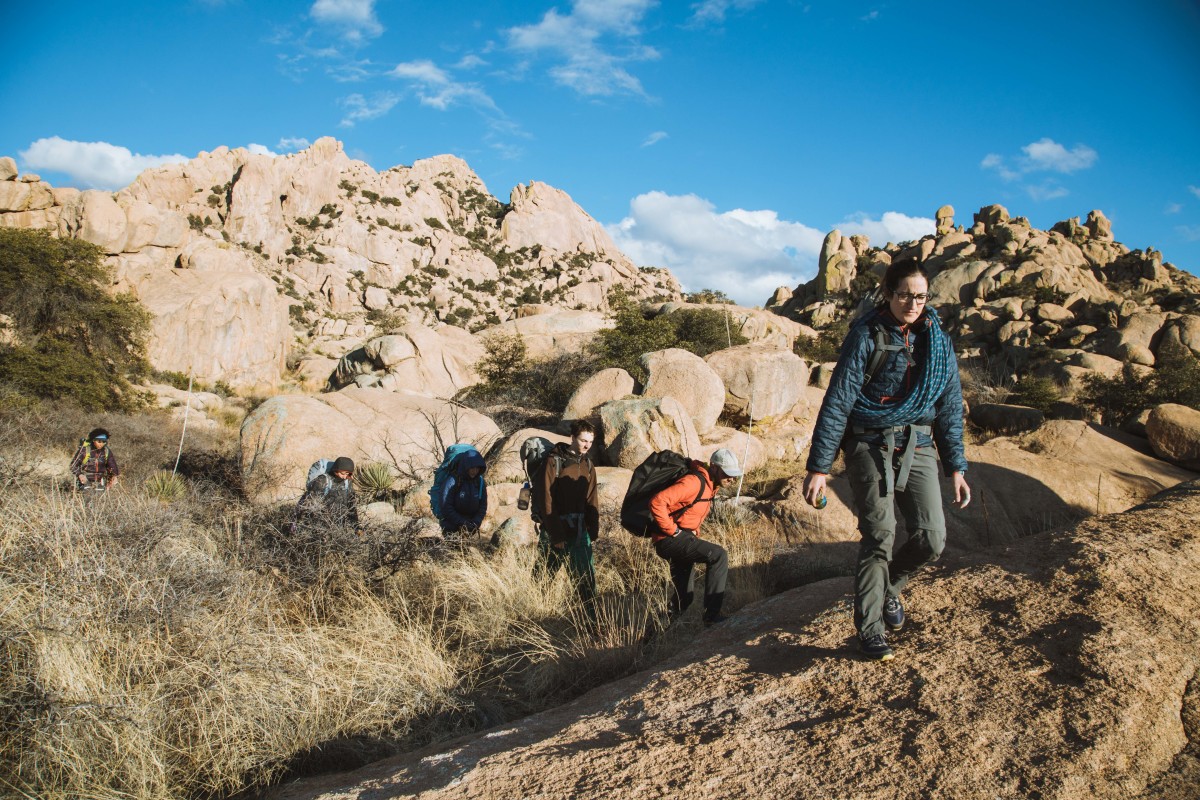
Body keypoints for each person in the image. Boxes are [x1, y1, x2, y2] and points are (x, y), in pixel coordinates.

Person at [801, 256, 970, 662]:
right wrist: (819, 468)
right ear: (888, 294)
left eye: (921, 297)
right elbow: (839, 401)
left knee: (932, 538)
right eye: (905, 295)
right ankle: (871, 628)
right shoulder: (867, 336)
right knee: (880, 535)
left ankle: (889, 588)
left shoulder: (939, 342)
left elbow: (949, 405)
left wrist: (957, 467)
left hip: (920, 444)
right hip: (869, 442)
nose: (913, 304)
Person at [648, 448, 742, 626]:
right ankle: (712, 618)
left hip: (679, 539)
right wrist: (672, 530)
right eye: (727, 473)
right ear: (713, 467)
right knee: (718, 555)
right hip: (669, 539)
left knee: (684, 598)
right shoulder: (693, 482)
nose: (732, 478)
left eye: (734, 475)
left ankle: (650, 640)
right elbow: (657, 501)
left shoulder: (710, 485)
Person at [537, 420, 601, 610]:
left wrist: (593, 529)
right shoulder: (554, 461)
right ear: (572, 438)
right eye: (583, 440)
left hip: (580, 531)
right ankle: (537, 614)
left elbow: (592, 499)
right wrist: (556, 534)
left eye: (590, 441)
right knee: (543, 577)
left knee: (586, 579)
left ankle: (589, 618)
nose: (586, 445)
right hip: (555, 531)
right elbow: (545, 499)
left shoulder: (588, 465)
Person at [293, 456, 360, 534]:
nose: (345, 477)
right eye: (343, 473)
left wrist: (356, 526)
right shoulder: (322, 481)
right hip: (320, 527)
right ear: (336, 470)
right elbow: (310, 505)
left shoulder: (347, 483)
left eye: (348, 474)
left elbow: (351, 505)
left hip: (340, 526)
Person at [439, 449, 487, 539]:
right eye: (472, 468)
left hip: (471, 528)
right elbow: (445, 507)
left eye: (477, 468)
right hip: (452, 527)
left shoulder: (479, 482)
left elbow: (483, 506)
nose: (475, 471)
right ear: (466, 466)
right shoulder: (452, 481)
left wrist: (476, 522)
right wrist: (462, 523)